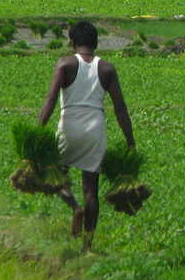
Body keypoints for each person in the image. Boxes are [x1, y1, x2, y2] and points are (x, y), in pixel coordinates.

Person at [38, 21, 135, 255]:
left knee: (53, 174)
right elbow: (120, 107)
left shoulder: (65, 64)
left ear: (72, 43)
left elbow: (51, 99)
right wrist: (130, 142)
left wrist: (39, 129)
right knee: (91, 189)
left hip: (69, 125)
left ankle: (74, 207)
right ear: (96, 43)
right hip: (95, 129)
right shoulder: (107, 69)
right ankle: (87, 246)